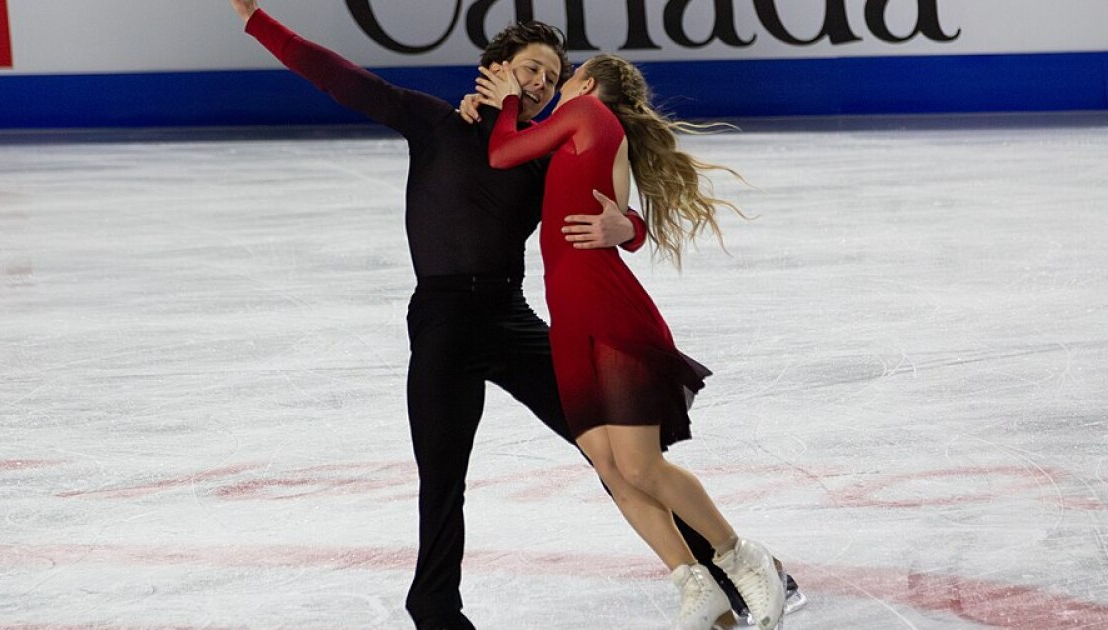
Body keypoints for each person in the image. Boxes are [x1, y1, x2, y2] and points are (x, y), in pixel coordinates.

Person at [227, 3, 802, 628]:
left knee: (615, 456)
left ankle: (726, 572)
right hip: (443, 320)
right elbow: (338, 76)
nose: (538, 84)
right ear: (494, 69)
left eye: (550, 78)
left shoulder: (543, 153)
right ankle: (435, 609)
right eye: (529, 69)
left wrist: (629, 227)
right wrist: (256, 16)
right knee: (442, 476)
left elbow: (614, 193)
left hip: (512, 317)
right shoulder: (435, 123)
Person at [477, 55, 789, 630]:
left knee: (641, 466)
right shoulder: (586, 133)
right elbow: (603, 204)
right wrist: (631, 226)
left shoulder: (589, 113)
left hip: (612, 314)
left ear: (589, 85)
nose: (561, 86)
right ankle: (693, 583)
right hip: (569, 321)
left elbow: (501, 154)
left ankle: (743, 557)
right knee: (610, 466)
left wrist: (509, 104)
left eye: (567, 76)